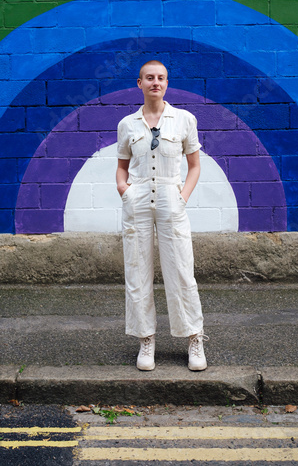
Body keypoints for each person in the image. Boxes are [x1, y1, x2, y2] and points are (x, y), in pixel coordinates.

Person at [116, 60, 208, 371]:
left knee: (181, 270)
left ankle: (194, 338)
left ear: (167, 83)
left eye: (161, 78)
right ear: (139, 83)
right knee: (137, 271)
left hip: (171, 197)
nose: (156, 82)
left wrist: (182, 198)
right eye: (150, 78)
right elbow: (122, 167)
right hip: (137, 199)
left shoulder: (184, 120)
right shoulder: (127, 124)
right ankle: (146, 340)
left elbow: (194, 166)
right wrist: (124, 190)